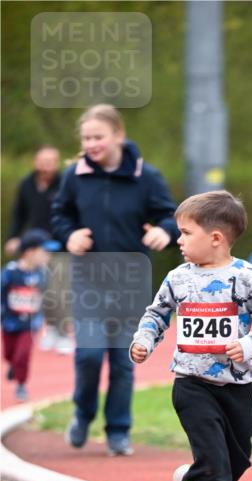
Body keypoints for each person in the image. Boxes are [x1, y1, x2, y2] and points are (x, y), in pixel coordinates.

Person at [130, 190, 252, 481]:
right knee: (214, 461)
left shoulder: (247, 277)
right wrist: (144, 339)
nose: (178, 240)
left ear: (216, 238)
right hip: (191, 383)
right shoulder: (178, 278)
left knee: (236, 461)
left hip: (237, 385)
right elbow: (157, 313)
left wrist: (248, 345)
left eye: (185, 233)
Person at [51, 104, 178, 456]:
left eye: (98, 137)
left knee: (124, 361)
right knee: (89, 356)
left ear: (118, 135)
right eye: (86, 138)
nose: (91, 144)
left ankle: (118, 430)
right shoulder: (74, 176)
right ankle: (83, 414)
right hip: (88, 279)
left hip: (130, 281)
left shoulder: (146, 176)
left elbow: (170, 216)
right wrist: (69, 235)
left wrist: (165, 232)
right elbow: (59, 215)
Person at [4, 146, 72, 353]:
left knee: (59, 291)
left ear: (57, 163)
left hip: (60, 246)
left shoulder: (65, 184)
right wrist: (14, 237)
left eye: (51, 161)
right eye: (43, 161)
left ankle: (63, 333)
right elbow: (19, 215)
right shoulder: (27, 185)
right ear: (36, 162)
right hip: (35, 247)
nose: (46, 166)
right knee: (41, 290)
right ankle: (50, 328)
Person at [1, 229, 56, 400]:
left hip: (30, 324)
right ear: (30, 252)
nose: (48, 256)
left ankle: (21, 385)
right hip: (10, 322)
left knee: (23, 354)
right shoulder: (10, 272)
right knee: (9, 354)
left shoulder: (42, 274)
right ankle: (13, 365)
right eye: (44, 252)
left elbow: (46, 296)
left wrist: (47, 317)